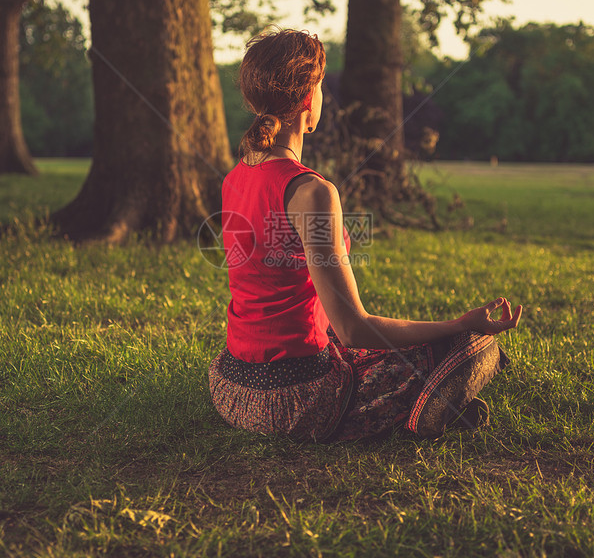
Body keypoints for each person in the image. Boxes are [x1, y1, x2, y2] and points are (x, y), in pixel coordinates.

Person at [209, 28, 523, 443]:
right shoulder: (311, 193)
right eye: (319, 87)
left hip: (231, 387)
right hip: (294, 400)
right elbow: (354, 327)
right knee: (471, 343)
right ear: (308, 99)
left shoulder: (235, 177)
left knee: (352, 343)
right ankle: (417, 410)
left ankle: (430, 405)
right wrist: (456, 323)